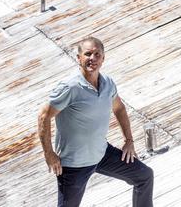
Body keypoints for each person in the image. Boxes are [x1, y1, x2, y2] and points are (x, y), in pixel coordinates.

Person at [37, 37, 154, 207]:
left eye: (97, 54)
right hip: (73, 164)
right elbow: (43, 116)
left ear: (103, 59)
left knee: (144, 176)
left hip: (101, 153)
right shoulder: (69, 87)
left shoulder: (107, 83)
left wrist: (129, 141)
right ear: (79, 58)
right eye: (88, 54)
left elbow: (119, 108)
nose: (93, 58)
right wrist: (49, 153)